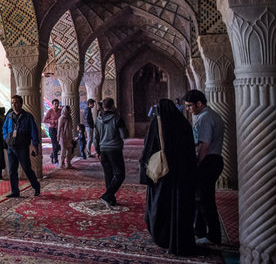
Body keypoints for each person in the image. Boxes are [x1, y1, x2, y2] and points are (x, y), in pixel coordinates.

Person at [140, 99, 197, 255]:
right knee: (179, 207)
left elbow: (148, 150)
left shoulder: (157, 124)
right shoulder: (183, 124)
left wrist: (145, 174)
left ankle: (163, 237)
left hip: (163, 177)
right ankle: (179, 240)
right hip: (182, 176)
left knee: (161, 206)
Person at [184, 89, 225, 245]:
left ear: (199, 104)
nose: (188, 109)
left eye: (189, 106)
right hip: (213, 160)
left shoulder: (205, 118)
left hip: (208, 161)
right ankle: (200, 231)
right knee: (202, 198)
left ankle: (213, 235)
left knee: (204, 200)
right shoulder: (210, 115)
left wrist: (197, 165)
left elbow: (204, 145)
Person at [2, 95, 41, 198]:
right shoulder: (9, 116)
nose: (14, 105)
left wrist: (35, 145)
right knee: (12, 171)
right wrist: (6, 138)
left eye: (16, 103)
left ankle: (36, 186)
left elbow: (34, 131)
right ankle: (15, 191)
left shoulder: (28, 117)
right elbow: (4, 128)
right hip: (11, 147)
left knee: (26, 168)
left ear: (21, 104)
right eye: (12, 103)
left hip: (22, 147)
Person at [94, 98, 129, 207]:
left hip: (103, 150)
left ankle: (111, 199)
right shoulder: (117, 119)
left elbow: (96, 138)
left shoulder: (98, 120)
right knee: (120, 175)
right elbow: (125, 135)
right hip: (114, 150)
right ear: (113, 105)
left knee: (108, 175)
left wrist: (97, 151)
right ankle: (107, 196)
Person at [43, 99, 62, 164]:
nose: (56, 105)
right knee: (55, 144)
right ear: (52, 104)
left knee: (59, 145)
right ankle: (56, 160)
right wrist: (53, 121)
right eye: (55, 104)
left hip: (59, 130)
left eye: (57, 104)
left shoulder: (60, 111)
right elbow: (44, 120)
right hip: (52, 129)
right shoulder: (50, 111)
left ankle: (52, 155)